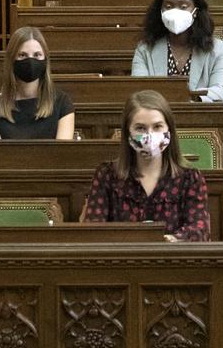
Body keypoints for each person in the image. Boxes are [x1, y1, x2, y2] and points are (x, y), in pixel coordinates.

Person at [81, 90, 210, 241]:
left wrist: (170, 241)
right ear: (128, 132)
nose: (149, 136)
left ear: (169, 130)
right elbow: (95, 229)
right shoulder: (107, 176)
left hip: (173, 260)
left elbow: (200, 229)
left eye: (157, 127)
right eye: (140, 128)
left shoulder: (190, 179)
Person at [131, 0, 223, 103]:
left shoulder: (218, 49)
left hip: (200, 117)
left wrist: (191, 99)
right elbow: (140, 92)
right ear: (161, 11)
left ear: (195, 11)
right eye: (168, 6)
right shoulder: (145, 49)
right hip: (158, 117)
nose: (175, 11)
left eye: (183, 6)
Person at [0, 26, 75, 140]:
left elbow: (61, 154)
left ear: (45, 60)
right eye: (22, 55)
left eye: (37, 55)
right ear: (12, 60)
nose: (30, 61)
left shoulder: (62, 103)